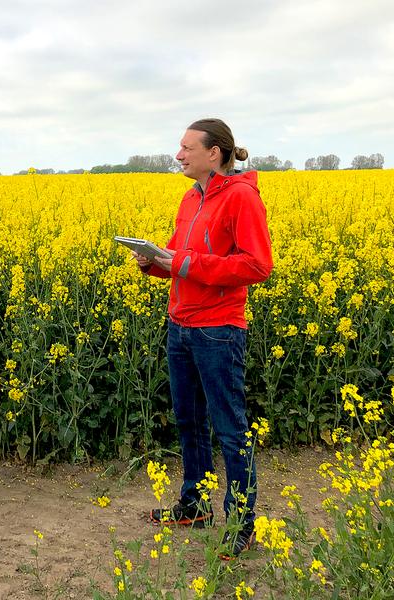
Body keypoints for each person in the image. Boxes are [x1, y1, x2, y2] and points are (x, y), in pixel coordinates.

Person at [133, 118, 273, 559]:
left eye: (186, 147)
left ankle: (241, 523)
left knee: (230, 429)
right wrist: (152, 263)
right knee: (188, 420)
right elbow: (178, 259)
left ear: (214, 153)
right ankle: (194, 505)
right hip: (181, 325)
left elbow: (256, 266)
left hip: (218, 330)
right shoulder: (189, 198)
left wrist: (185, 264)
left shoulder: (241, 198)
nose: (178, 155)